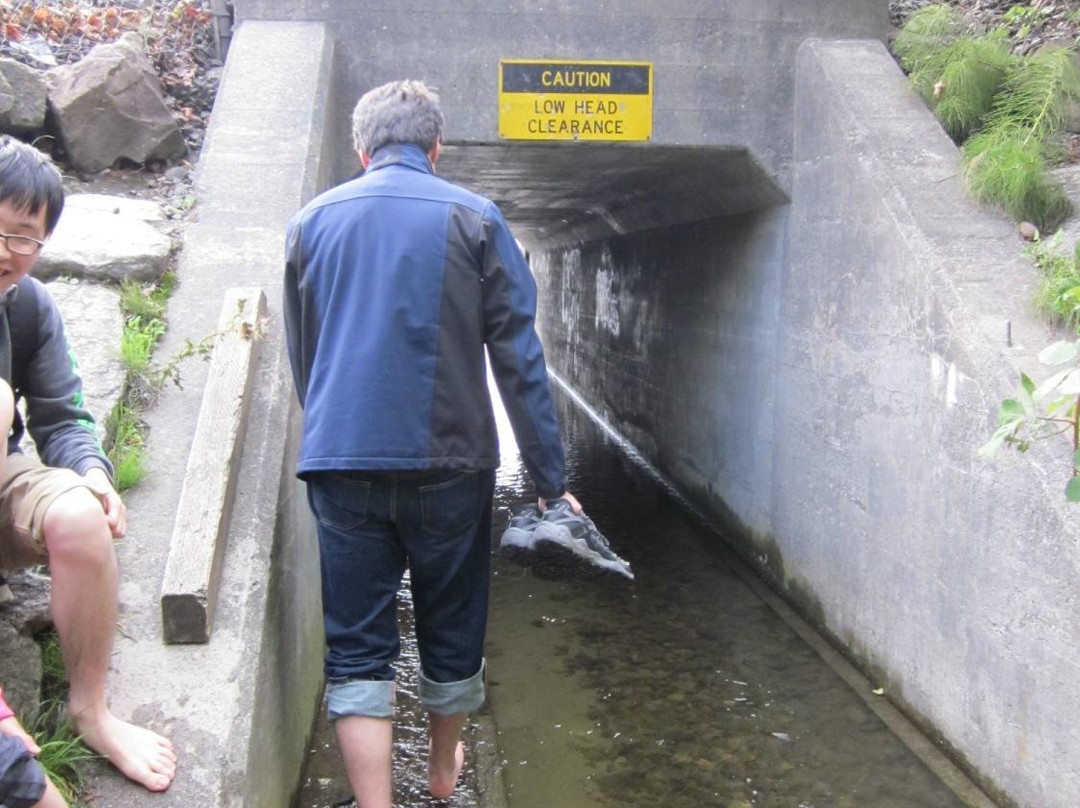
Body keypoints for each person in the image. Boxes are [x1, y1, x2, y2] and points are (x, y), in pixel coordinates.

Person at [284, 79, 581, 807]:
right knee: (452, 623)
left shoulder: (310, 223)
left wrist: (332, 426)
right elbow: (519, 359)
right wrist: (549, 477)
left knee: (357, 645)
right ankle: (445, 777)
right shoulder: (476, 219)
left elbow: (306, 351)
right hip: (451, 464)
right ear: (436, 148)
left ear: (362, 149)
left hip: (343, 459)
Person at [0, 136, 176, 792]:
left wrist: (95, 474)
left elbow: (62, 417)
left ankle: (91, 711)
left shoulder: (26, 308)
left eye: (23, 237)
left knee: (79, 514)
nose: (6, 252)